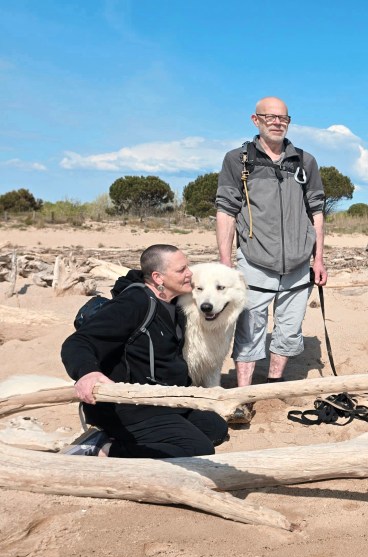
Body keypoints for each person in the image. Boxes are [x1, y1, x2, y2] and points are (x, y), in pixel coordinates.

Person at [215, 96, 328, 423]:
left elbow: (317, 211)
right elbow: (226, 210)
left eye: (283, 118)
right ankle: (243, 398)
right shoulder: (238, 160)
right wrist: (226, 261)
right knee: (249, 329)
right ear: (255, 120)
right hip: (253, 260)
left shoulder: (305, 162)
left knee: (290, 331)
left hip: (298, 264)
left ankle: (273, 386)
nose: (277, 122)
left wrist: (318, 258)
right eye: (270, 117)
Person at [61, 245, 228, 458]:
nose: (189, 274)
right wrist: (87, 373)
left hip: (162, 397)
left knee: (216, 429)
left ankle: (115, 438)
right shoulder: (134, 303)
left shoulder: (173, 301)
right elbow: (78, 342)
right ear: (158, 277)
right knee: (198, 449)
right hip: (131, 405)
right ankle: (101, 449)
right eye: (181, 270)